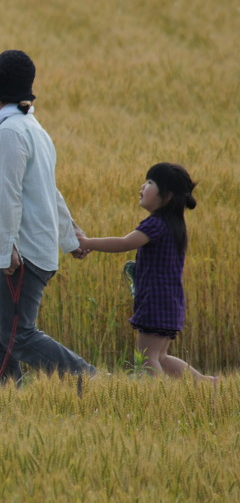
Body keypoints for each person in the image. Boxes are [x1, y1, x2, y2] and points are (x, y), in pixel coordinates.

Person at [0, 49, 96, 382]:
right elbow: (46, 189)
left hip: (20, 252)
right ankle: (7, 403)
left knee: (18, 336)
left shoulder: (13, 133)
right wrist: (69, 237)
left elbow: (10, 195)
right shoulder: (25, 127)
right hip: (13, 247)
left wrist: (8, 248)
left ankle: (93, 381)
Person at [77, 163, 216, 383]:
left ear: (167, 196)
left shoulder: (156, 223)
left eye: (150, 182)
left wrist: (87, 242)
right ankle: (206, 383)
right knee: (161, 356)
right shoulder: (174, 225)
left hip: (155, 301)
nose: (143, 186)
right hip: (171, 301)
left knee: (146, 357)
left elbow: (125, 242)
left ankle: (159, 398)